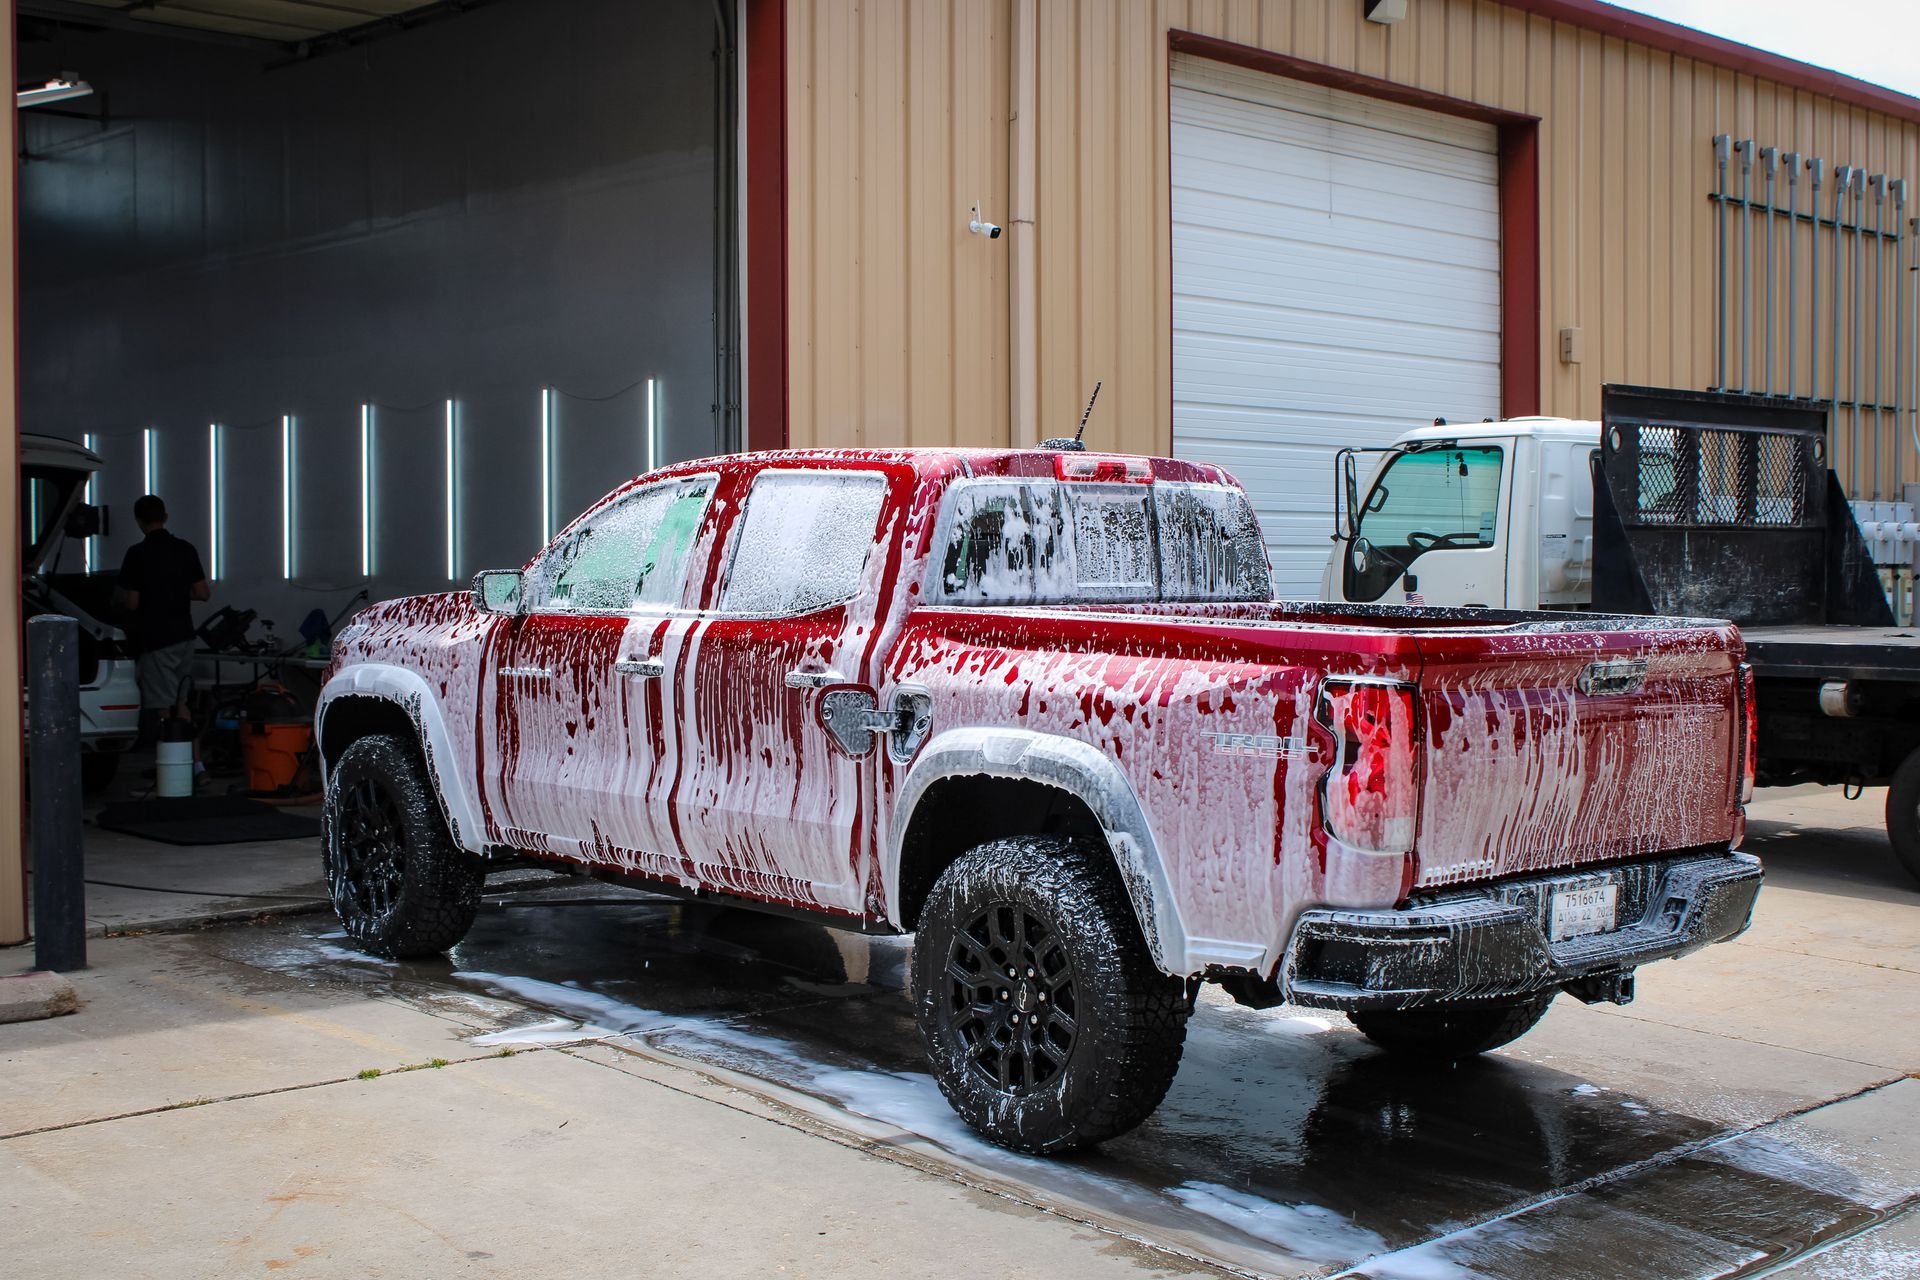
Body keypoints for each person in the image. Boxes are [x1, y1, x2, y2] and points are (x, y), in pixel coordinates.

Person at [116, 495, 210, 742]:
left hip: (157, 641)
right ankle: (195, 767)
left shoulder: (137, 554)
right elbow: (202, 593)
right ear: (165, 517)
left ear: (138, 521)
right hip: (186, 637)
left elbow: (132, 603)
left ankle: (172, 770)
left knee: (165, 710)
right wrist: (177, 590)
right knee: (181, 702)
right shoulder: (186, 549)